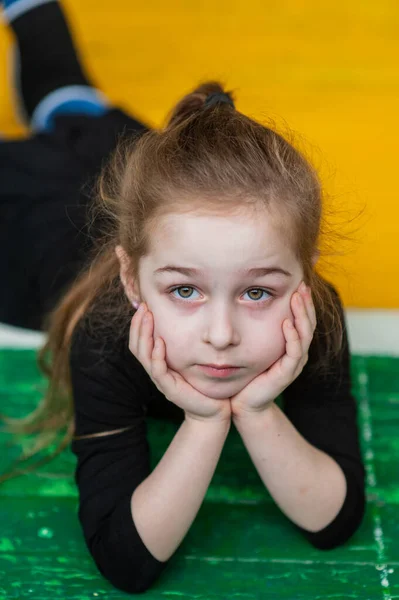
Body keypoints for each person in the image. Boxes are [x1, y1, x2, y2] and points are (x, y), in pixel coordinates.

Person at [0, 0, 366, 594]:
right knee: (69, 123)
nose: (220, 334)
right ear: (129, 278)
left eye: (256, 291)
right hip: (30, 215)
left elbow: (334, 519)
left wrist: (252, 410)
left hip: (126, 172)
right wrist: (202, 422)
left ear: (307, 277)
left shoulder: (314, 314)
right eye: (185, 290)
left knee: (76, 112)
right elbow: (125, 563)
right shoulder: (104, 333)